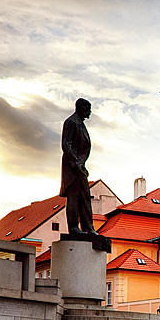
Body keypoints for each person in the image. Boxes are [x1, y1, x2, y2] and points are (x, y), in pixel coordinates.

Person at [60, 98, 95, 235]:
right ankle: (74, 228)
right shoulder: (71, 122)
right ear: (81, 108)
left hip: (80, 166)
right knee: (74, 196)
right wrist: (75, 162)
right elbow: (66, 144)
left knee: (85, 196)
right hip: (72, 166)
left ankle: (88, 227)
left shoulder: (80, 123)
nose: (90, 112)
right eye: (88, 109)